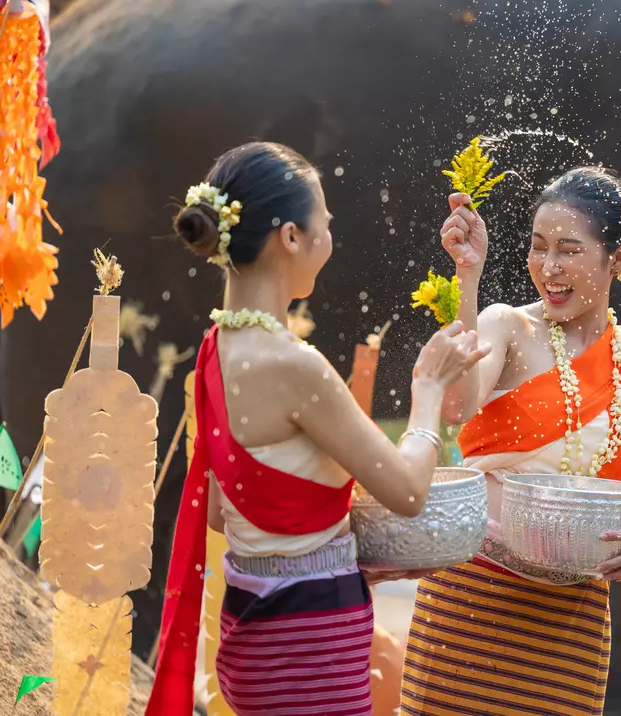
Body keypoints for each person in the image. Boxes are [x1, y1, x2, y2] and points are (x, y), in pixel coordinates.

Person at [147, 141, 489, 716]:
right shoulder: (294, 365)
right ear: (290, 238)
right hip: (310, 649)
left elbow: (218, 510)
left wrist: (322, 538)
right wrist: (426, 393)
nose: (329, 240)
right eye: (324, 225)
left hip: (250, 634)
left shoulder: (215, 349)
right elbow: (407, 491)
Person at [399, 167, 621, 715]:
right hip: (472, 595)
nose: (548, 268)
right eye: (538, 248)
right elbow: (456, 405)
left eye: (568, 250)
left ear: (620, 259)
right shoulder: (507, 325)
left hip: (571, 616)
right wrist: (467, 276)